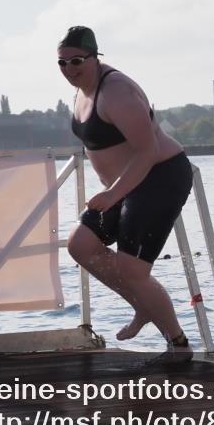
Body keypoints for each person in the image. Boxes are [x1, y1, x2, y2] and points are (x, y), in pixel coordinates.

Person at [59, 26, 194, 363]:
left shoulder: (116, 91)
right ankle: (143, 306)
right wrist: (112, 191)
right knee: (81, 245)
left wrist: (111, 194)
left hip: (159, 176)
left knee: (133, 270)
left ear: (95, 57)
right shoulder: (81, 92)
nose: (69, 69)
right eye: (62, 63)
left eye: (77, 61)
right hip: (125, 184)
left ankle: (178, 344)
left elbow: (146, 151)